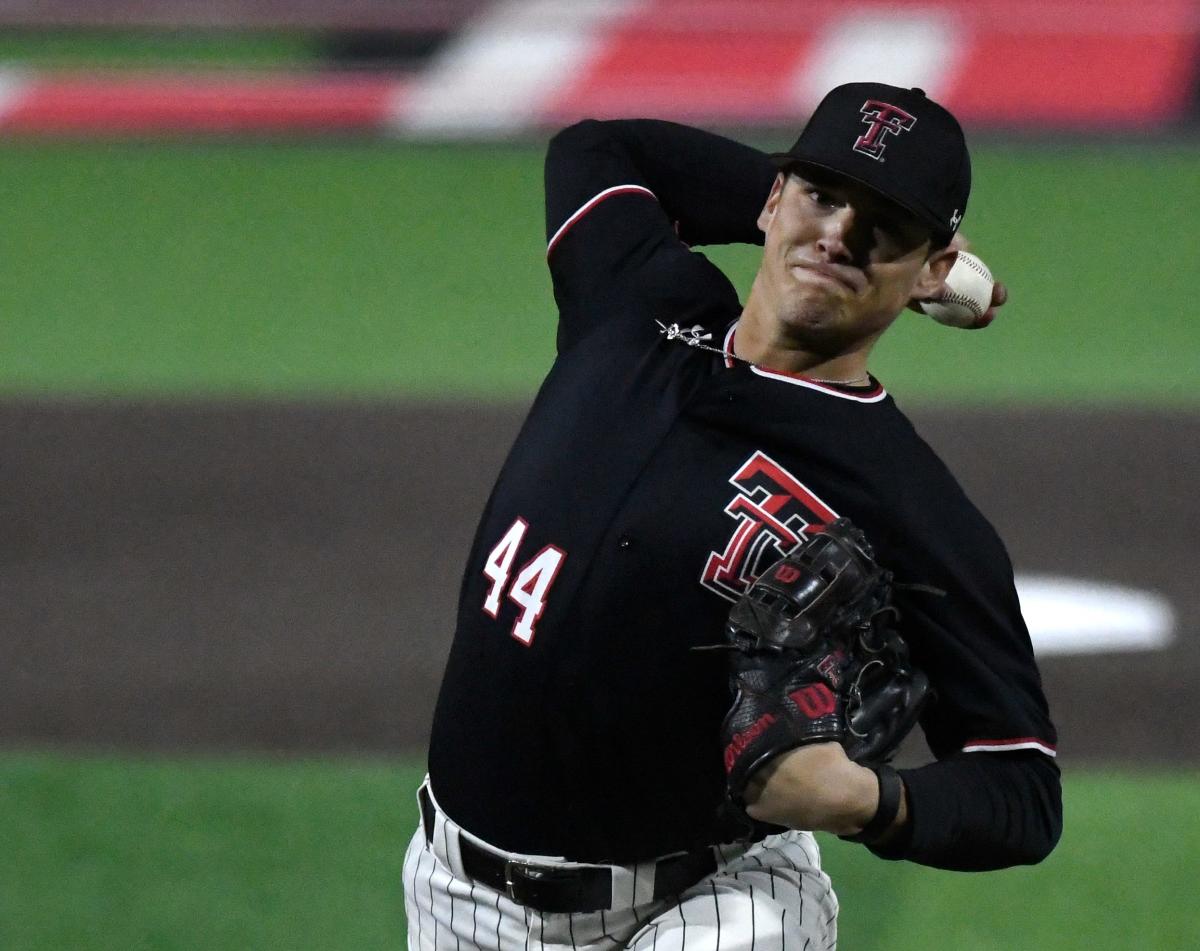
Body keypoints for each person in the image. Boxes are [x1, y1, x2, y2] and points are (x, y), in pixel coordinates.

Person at [403, 82, 1061, 950]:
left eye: (885, 226)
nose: (840, 234)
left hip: (711, 907)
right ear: (771, 197)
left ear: (932, 270)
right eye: (823, 195)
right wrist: (817, 218)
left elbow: (1022, 786)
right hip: (457, 897)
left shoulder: (908, 503)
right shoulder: (633, 299)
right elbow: (597, 148)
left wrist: (872, 799)